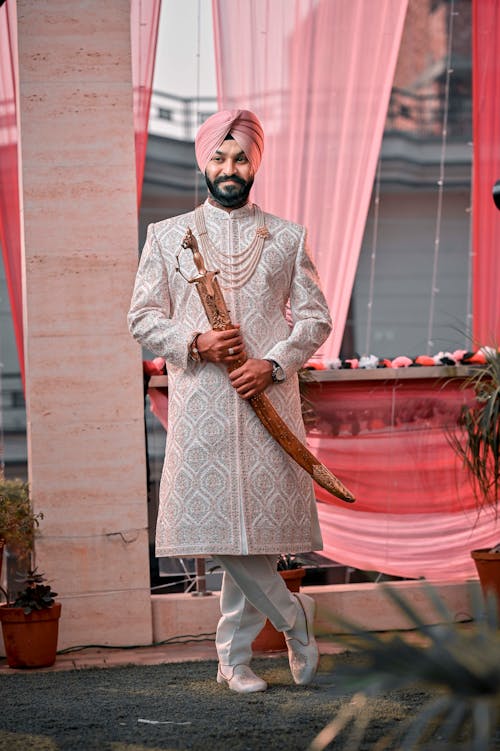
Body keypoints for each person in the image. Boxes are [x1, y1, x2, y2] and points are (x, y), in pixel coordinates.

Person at [128, 109, 332, 693]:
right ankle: (296, 623)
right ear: (203, 162)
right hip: (203, 407)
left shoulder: (288, 236)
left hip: (268, 404)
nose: (229, 167)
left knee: (253, 535)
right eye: (218, 156)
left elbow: (316, 319)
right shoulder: (167, 236)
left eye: (240, 156)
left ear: (256, 163)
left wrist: (274, 363)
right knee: (219, 532)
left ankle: (233, 660)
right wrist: (194, 340)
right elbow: (142, 318)